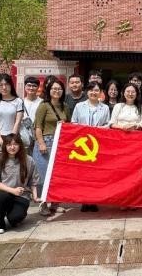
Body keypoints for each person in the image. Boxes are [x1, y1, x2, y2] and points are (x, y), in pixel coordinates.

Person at [0, 133, 40, 234]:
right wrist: (13, 190)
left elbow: (33, 181)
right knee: (0, 197)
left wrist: (35, 196)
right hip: (3, 193)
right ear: (4, 146)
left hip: (21, 195)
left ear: (20, 145)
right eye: (9, 145)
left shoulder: (29, 160)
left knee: (15, 218)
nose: (12, 147)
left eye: (15, 144)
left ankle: (13, 215)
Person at [72, 81, 110, 212]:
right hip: (82, 144)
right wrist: (84, 129)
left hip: (98, 144)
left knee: (96, 174)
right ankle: (84, 200)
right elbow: (73, 123)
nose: (94, 92)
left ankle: (94, 200)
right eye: (91, 90)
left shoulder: (105, 108)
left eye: (96, 90)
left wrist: (97, 130)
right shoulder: (79, 106)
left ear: (100, 93)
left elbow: (107, 125)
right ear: (86, 92)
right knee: (83, 174)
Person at [33, 78, 70, 216]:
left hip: (60, 144)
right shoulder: (44, 105)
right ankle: (43, 204)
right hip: (46, 143)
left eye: (59, 89)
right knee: (43, 175)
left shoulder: (65, 106)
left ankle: (55, 203)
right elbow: (37, 126)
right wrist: (41, 143)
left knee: (57, 175)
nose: (57, 91)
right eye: (54, 88)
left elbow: (69, 125)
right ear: (49, 90)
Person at [0, 73, 24, 165]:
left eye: (6, 84)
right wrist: (2, 142)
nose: (4, 87)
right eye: (0, 85)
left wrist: (11, 142)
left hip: (13, 139)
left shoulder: (18, 102)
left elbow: (17, 122)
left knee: (15, 167)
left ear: (11, 85)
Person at [22, 76, 42, 154]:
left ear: (38, 88)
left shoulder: (42, 102)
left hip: (37, 136)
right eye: (29, 85)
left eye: (34, 86)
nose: (31, 88)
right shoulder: (20, 102)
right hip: (23, 136)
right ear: (25, 87)